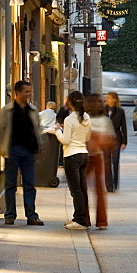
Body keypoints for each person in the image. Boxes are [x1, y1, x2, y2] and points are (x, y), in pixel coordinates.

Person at [0, 80, 44, 226]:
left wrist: (38, 146)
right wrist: (2, 148)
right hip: (12, 149)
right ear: (18, 92)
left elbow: (37, 128)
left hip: (28, 150)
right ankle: (10, 215)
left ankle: (31, 215)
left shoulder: (32, 110)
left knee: (29, 183)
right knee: (10, 184)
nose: (29, 94)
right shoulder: (8, 110)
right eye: (26, 91)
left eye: (30, 91)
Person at [54, 91, 92, 229]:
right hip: (83, 154)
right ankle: (80, 217)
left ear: (69, 103)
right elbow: (87, 138)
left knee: (75, 190)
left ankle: (80, 220)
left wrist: (57, 131)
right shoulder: (86, 118)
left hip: (72, 155)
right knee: (81, 189)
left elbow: (66, 140)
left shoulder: (69, 119)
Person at [84, 94, 114, 230]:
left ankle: (86, 218)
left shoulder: (85, 119)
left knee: (86, 188)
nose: (101, 104)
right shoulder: (104, 120)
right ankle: (100, 220)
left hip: (91, 155)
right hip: (93, 155)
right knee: (96, 188)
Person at [104, 92, 127, 192]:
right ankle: (108, 184)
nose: (107, 100)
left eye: (109, 98)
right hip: (105, 138)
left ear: (114, 99)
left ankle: (115, 182)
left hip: (116, 138)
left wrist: (124, 142)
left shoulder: (120, 111)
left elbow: (124, 127)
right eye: (107, 98)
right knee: (107, 162)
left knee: (115, 161)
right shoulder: (103, 110)